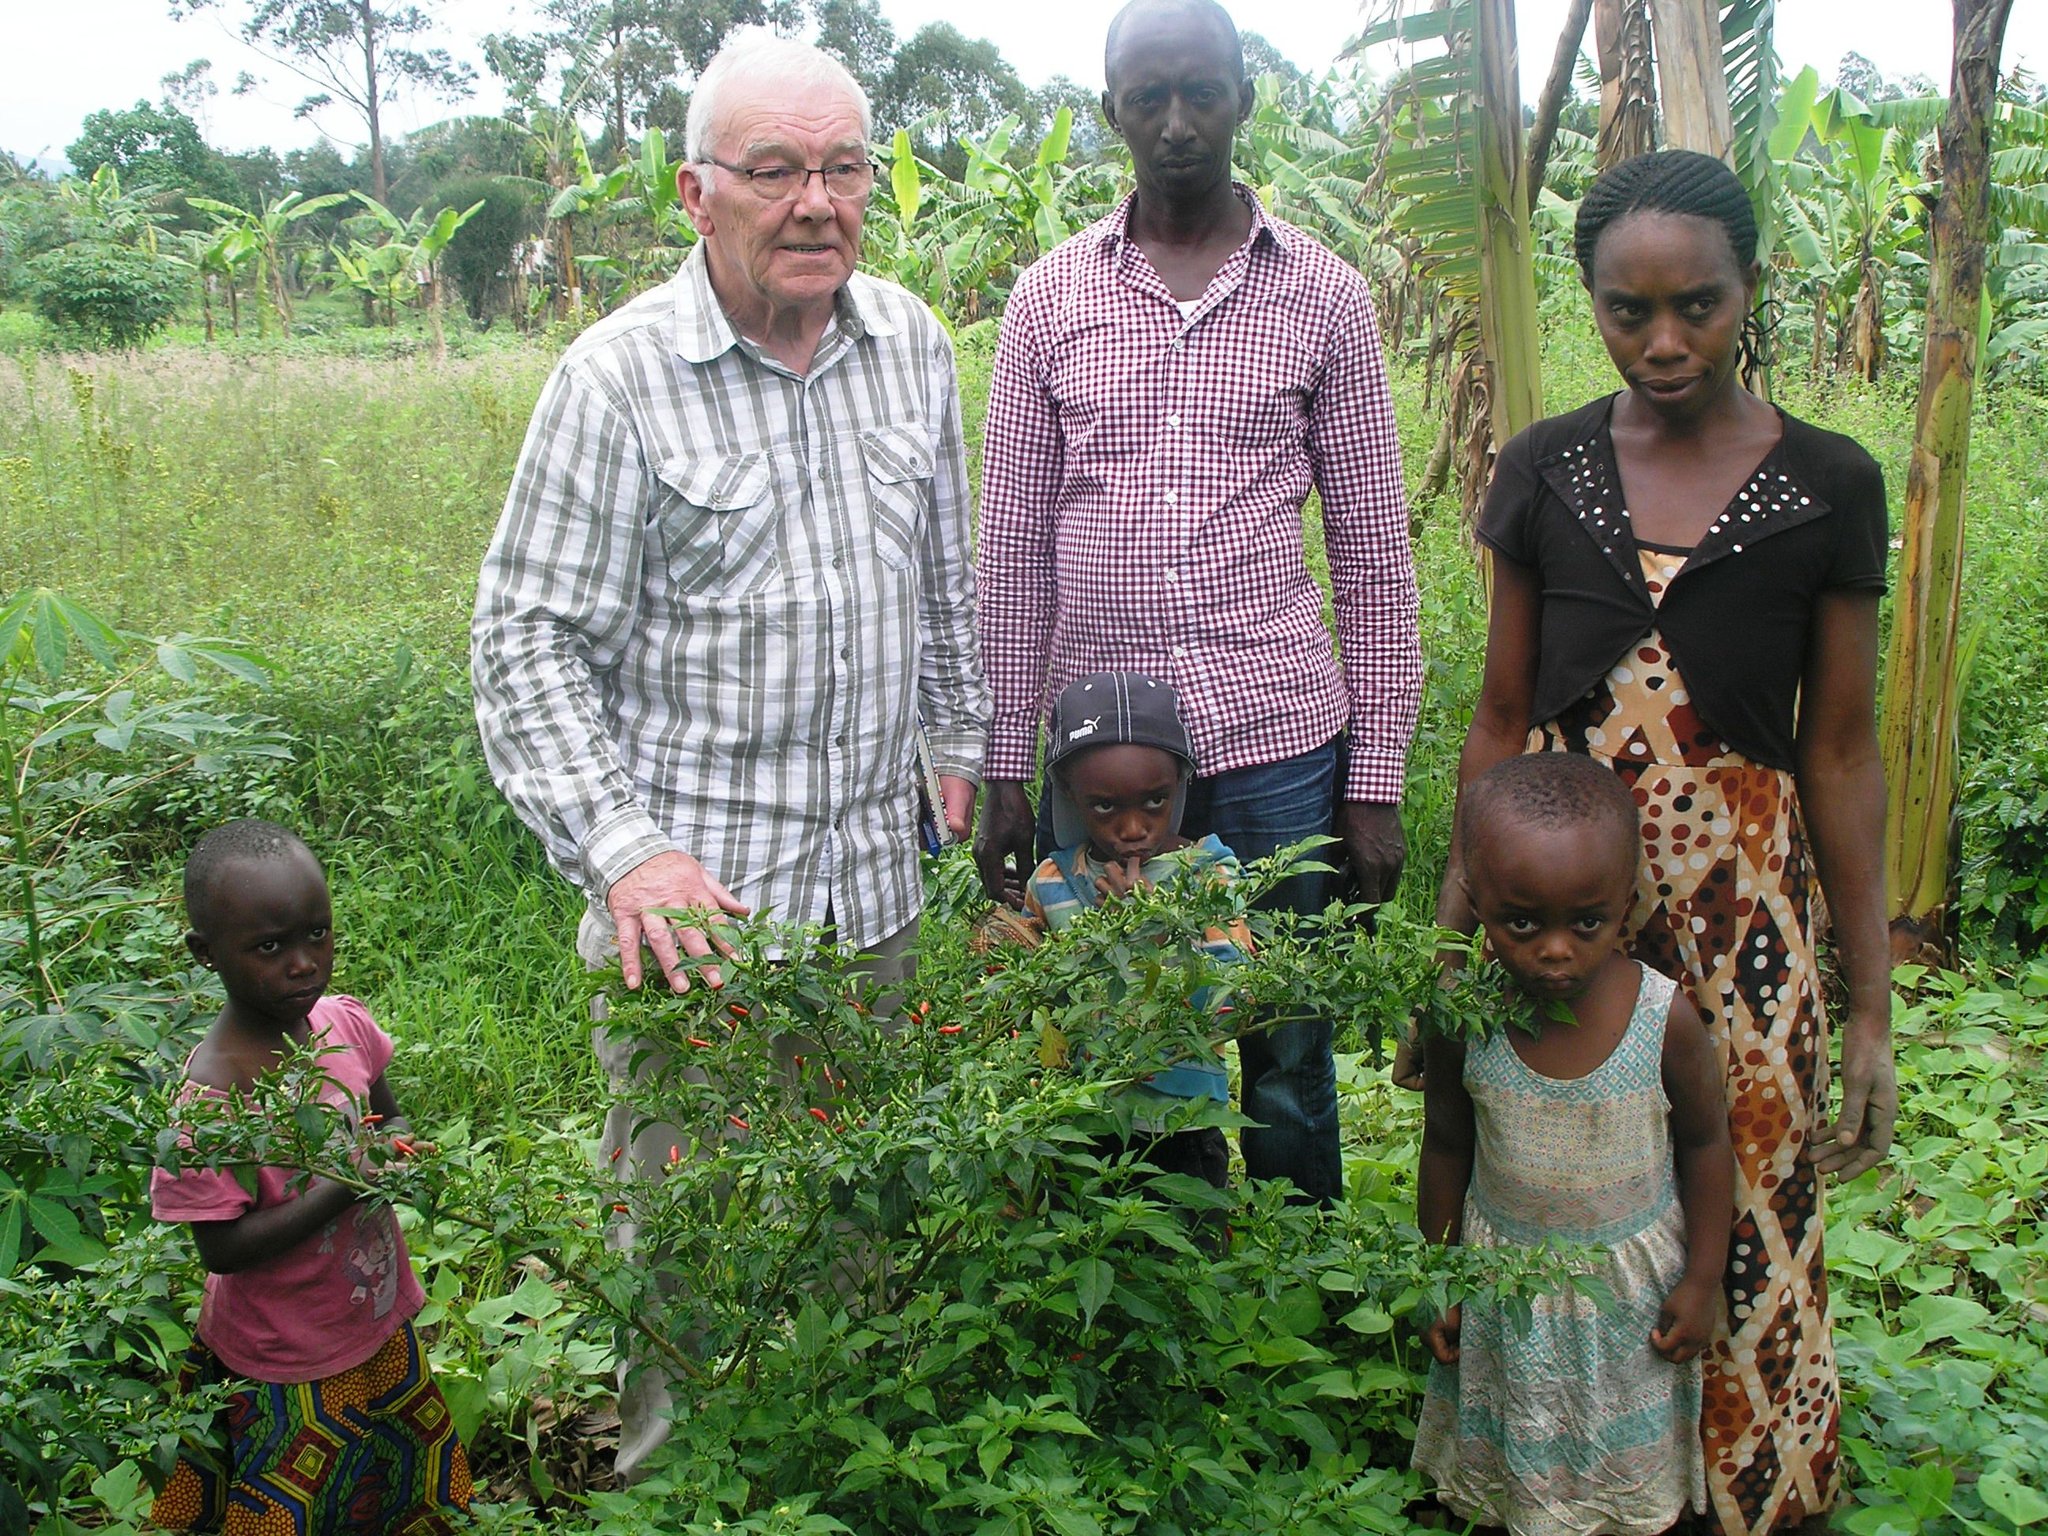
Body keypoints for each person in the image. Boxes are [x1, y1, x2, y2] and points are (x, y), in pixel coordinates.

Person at [471, 29, 987, 1479]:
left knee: (858, 1233)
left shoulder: (913, 350)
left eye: (843, 168)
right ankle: (680, 1493)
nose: (816, 201)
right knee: (690, 1263)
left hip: (874, 906)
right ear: (698, 196)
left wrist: (959, 738)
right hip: (696, 933)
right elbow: (523, 645)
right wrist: (629, 855)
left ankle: (842, 1488)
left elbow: (945, 583)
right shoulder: (616, 379)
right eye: (775, 170)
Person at [1425, 150, 1897, 1534]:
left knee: (1742, 1174)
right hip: (1557, 892)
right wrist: (1447, 955)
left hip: (1746, 910)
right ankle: (1558, 1468)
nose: (1666, 339)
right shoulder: (1546, 470)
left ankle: (1737, 1488)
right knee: (1545, 1170)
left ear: (1752, 288)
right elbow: (1502, 719)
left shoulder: (1828, 483)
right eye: (1629, 311)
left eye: (1699, 303)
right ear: (1591, 300)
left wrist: (1869, 1009)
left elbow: (1844, 754)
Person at [973, 0, 1422, 1204]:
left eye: (1201, 94)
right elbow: (1012, 546)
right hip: (1100, 761)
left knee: (1286, 1041)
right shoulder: (1049, 298)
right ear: (1109, 108)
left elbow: (1374, 553)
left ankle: (1302, 1285)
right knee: (1125, 1046)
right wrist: (1003, 767)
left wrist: (1372, 780)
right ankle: (1163, 1291)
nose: (1175, 125)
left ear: (1244, 98)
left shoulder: (1322, 295)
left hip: (1278, 737)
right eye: (1147, 97)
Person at [1412, 753, 1732, 1536]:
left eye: (1585, 922)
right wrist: (1439, 1271)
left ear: (1626, 904)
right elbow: (1447, 1147)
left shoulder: (1665, 1021)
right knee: (1512, 1473)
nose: (1555, 949)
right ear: (1477, 905)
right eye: (1522, 922)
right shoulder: (1465, 1020)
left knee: (1627, 1479)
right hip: (1504, 1296)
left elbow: (1706, 1143)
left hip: (1628, 1303)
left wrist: (1704, 1277)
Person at [149, 819, 471, 1534]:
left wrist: (405, 1157)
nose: (304, 964)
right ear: (205, 954)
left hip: (375, 1319)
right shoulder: (211, 1102)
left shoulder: (342, 1026)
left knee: (388, 1486)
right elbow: (221, 1250)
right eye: (270, 947)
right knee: (289, 1504)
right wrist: (346, 1184)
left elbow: (391, 1125)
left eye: (317, 936)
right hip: (281, 1359)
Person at [979, 672, 1252, 1189]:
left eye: (1155, 801)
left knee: (1184, 1255)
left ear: (1182, 785)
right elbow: (1030, 987)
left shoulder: (1207, 877)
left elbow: (1232, 1001)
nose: (1132, 829)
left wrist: (1159, 925)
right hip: (1078, 1119)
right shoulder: (1054, 881)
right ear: (1068, 796)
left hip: (1181, 1124)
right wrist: (1003, 947)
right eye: (1105, 806)